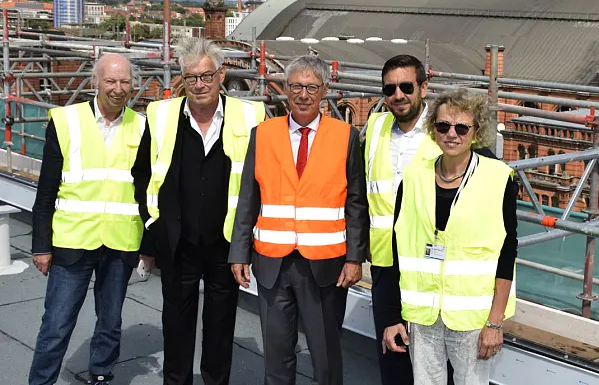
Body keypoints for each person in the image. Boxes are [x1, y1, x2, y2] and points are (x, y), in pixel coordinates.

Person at [229, 55, 369, 385]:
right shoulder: (262, 134)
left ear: (324, 90)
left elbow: (356, 203)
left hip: (324, 267)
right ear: (286, 90)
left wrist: (354, 258)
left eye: (311, 87)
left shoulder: (346, 136)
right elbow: (248, 197)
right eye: (295, 86)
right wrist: (238, 252)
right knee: (277, 354)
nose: (303, 94)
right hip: (271, 263)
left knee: (325, 357)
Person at [134, 37, 266, 385]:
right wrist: (153, 227)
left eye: (207, 75)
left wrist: (248, 237)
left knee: (221, 328)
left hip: (226, 246)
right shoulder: (161, 115)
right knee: (176, 327)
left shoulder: (250, 115)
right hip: (178, 243)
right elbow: (142, 173)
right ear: (182, 79)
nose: (200, 84)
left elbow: (263, 178)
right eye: (191, 78)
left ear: (221, 74)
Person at [381, 88, 518, 385]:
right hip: (423, 314)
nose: (451, 134)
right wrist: (393, 316)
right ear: (433, 129)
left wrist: (495, 322)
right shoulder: (414, 177)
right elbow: (399, 248)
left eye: (461, 128)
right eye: (443, 126)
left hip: (471, 319)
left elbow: (507, 252)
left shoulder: (498, 178)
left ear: (476, 131)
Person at [29, 54, 147, 385]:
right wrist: (41, 246)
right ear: (95, 82)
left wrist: (147, 245)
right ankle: (41, 382)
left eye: (124, 81)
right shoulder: (66, 121)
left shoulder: (141, 126)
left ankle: (100, 375)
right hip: (72, 242)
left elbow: (146, 191)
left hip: (121, 242)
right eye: (110, 81)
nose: (118, 88)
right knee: (56, 324)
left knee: (110, 322)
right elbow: (46, 191)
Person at [364, 54, 455, 385]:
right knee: (394, 359)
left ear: (423, 87)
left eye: (406, 86)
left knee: (435, 364)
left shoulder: (446, 132)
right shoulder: (375, 128)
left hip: (431, 268)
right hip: (387, 264)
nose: (397, 95)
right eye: (389, 89)